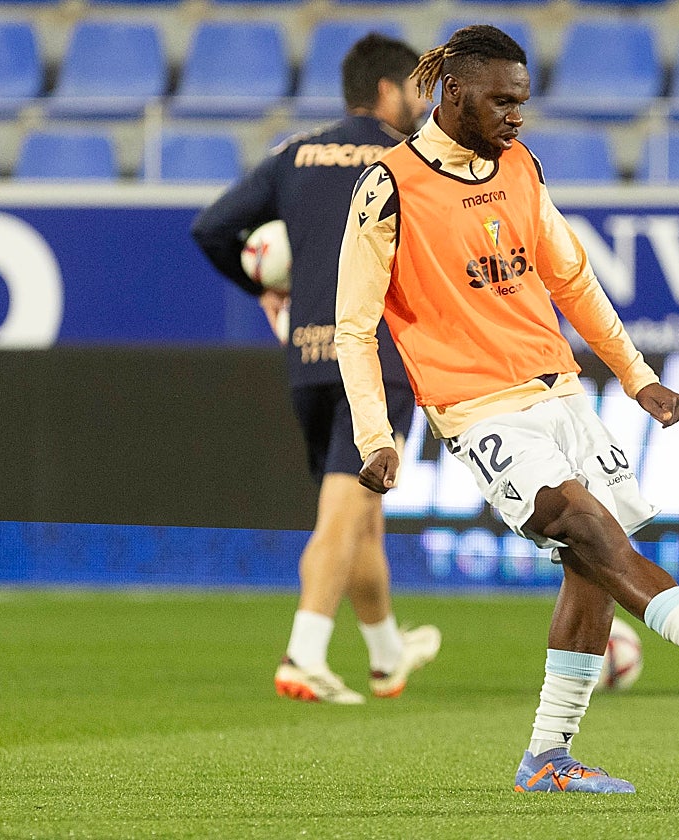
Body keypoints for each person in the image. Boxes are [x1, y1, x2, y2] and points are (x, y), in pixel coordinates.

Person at [334, 24, 679, 793]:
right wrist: (376, 436)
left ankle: (549, 757)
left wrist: (636, 374)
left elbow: (573, 278)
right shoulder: (389, 185)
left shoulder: (520, 165)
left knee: (591, 572)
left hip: (562, 395)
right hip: (479, 408)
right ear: (453, 93)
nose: (517, 117)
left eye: (523, 102)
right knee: (586, 525)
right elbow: (354, 324)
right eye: (502, 102)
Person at [191, 33, 441, 705]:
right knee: (342, 515)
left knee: (360, 516)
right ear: (389, 91)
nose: (426, 101)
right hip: (377, 358)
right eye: (419, 87)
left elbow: (212, 229)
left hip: (306, 356)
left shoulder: (295, 153)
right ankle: (304, 653)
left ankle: (388, 656)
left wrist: (268, 290)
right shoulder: (412, 159)